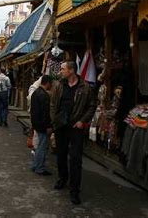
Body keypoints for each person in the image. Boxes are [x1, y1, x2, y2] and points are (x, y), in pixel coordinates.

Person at [50, 61, 96, 205]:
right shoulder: (58, 85)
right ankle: (62, 178)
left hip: (76, 127)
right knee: (61, 155)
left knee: (75, 159)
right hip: (60, 126)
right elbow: (52, 104)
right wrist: (54, 120)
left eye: (63, 69)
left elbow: (92, 106)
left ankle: (74, 190)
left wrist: (83, 120)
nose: (60, 71)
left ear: (71, 71)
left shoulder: (85, 87)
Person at [30, 75, 54, 176]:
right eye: (51, 83)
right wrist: (48, 126)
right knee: (42, 147)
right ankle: (39, 168)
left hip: (36, 123)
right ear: (47, 83)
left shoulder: (35, 93)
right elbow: (45, 113)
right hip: (42, 125)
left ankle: (36, 165)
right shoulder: (44, 95)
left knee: (40, 146)